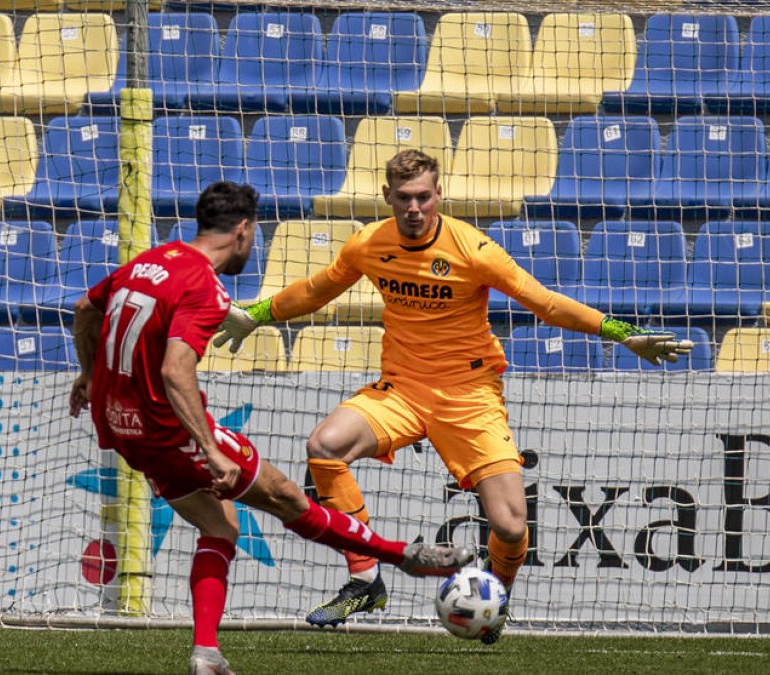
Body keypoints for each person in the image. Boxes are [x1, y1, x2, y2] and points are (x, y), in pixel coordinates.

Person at [214, 152, 693, 643]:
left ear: (438, 195)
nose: (414, 208)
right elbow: (318, 289)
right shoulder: (368, 244)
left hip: (469, 396)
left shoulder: (473, 250)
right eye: (404, 198)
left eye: (423, 197)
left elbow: (546, 303)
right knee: (324, 445)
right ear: (387, 197)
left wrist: (621, 333)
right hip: (401, 390)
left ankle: (495, 598)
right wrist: (256, 315)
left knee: (510, 526)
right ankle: (365, 579)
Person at [69, 181, 473, 675]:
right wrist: (210, 450)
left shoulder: (149, 261)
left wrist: (89, 374)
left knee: (220, 526)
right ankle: (403, 556)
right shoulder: (204, 287)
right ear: (243, 230)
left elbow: (85, 309)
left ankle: (206, 653)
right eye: (255, 234)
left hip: (118, 426)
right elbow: (176, 370)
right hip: (167, 430)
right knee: (287, 498)